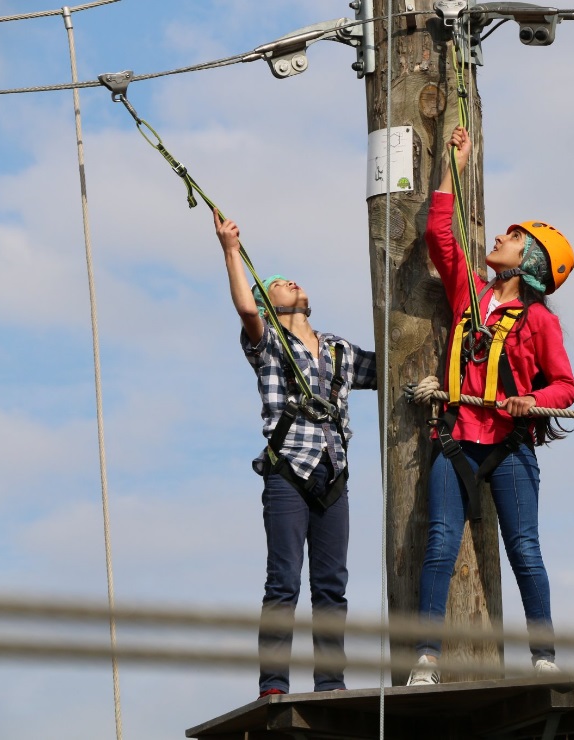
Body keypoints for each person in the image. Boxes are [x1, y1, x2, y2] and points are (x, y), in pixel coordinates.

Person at [407, 126, 574, 685]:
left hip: (508, 443)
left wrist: (533, 400)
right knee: (439, 545)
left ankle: (544, 657)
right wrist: (453, 164)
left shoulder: (540, 322)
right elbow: (440, 233)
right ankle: (427, 658)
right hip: (457, 434)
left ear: (527, 260)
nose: (500, 237)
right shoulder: (471, 295)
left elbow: (565, 387)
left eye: (512, 237)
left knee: (524, 549)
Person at [214, 210, 377, 698]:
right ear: (269, 302)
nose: (290, 282)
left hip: (334, 476)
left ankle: (330, 682)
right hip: (288, 471)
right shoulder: (268, 343)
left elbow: (391, 366)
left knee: (332, 588)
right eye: (278, 283)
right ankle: (274, 684)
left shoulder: (339, 350)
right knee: (283, 580)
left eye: (291, 280)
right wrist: (230, 250)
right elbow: (245, 309)